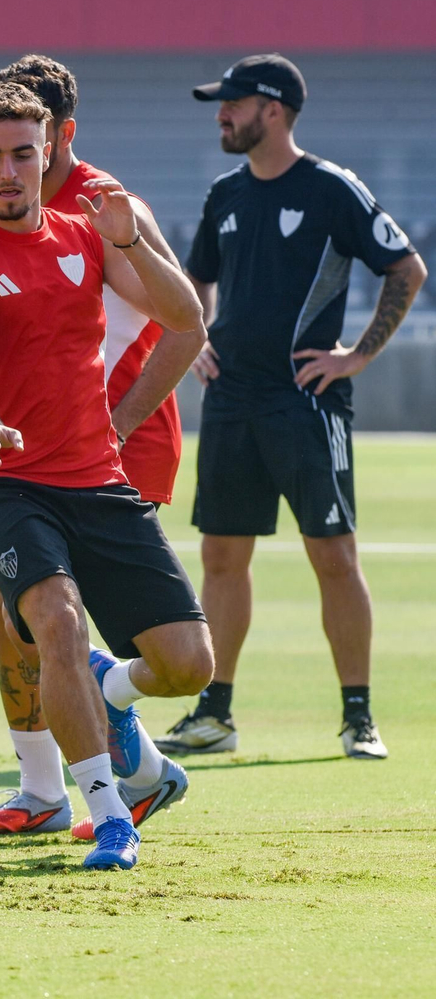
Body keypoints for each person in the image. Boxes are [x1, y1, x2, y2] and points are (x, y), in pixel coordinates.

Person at [0, 81, 212, 871]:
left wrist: (131, 243)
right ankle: (109, 812)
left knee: (190, 664)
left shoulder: (88, 235)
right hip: (8, 481)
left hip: (98, 477)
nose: (8, 171)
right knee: (53, 618)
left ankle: (108, 696)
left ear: (49, 151)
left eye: (23, 153)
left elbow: (186, 319)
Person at [162, 54, 426, 760]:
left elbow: (405, 268)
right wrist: (197, 344)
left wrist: (356, 357)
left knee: (333, 555)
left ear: (271, 110)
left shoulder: (332, 188)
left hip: (307, 402)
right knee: (221, 554)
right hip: (232, 401)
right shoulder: (225, 194)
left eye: (233, 104)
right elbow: (194, 283)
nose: (221, 114)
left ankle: (358, 716)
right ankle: (214, 714)